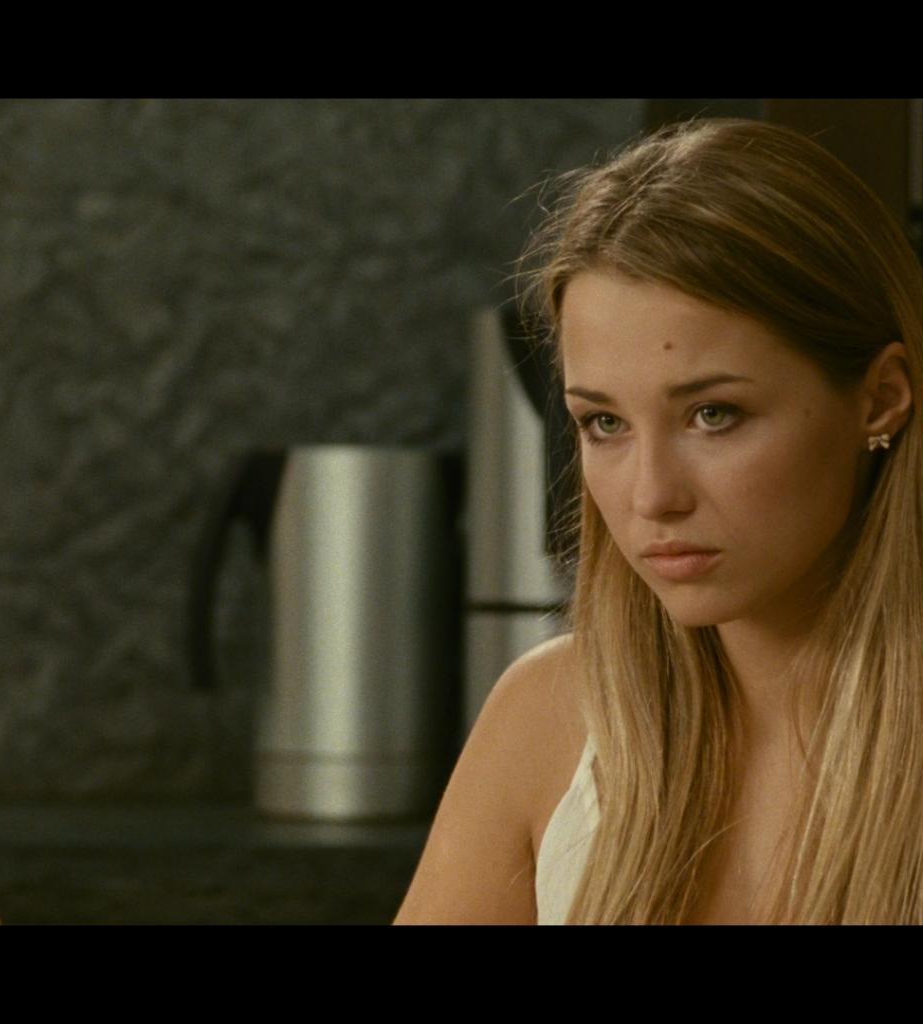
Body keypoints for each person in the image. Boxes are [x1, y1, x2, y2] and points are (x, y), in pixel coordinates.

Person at [393, 117, 922, 925]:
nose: (651, 496)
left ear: (881, 397)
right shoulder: (548, 719)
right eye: (604, 423)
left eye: (714, 414)